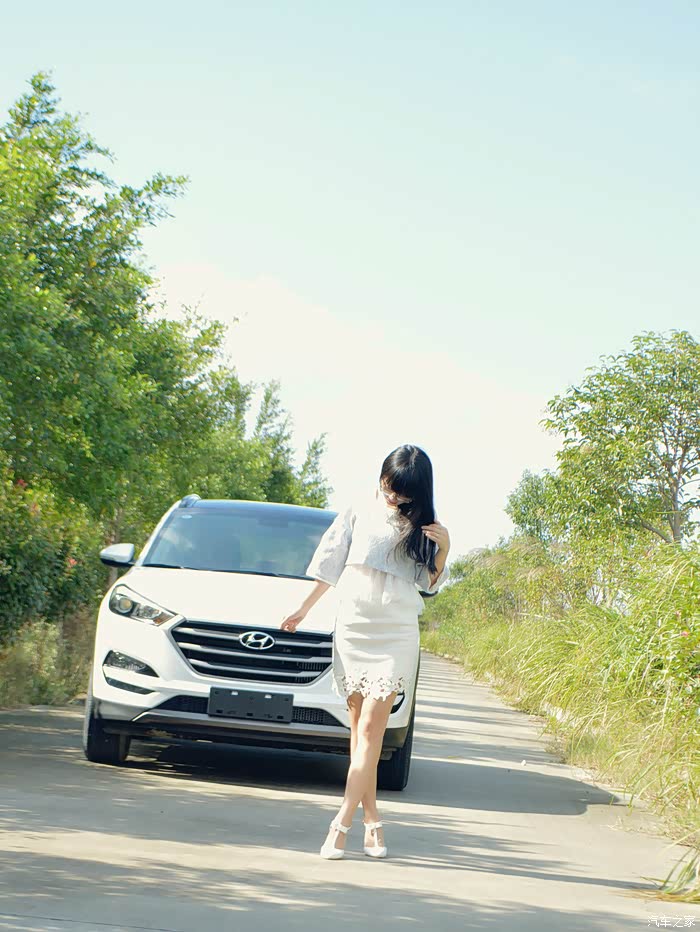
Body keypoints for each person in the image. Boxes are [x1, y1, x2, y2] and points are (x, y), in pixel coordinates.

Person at [279, 444, 451, 860]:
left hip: (396, 634)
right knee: (359, 737)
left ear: (418, 492)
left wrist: (444, 551)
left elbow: (428, 585)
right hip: (354, 627)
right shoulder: (358, 509)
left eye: (402, 493)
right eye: (389, 487)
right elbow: (329, 562)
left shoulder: (425, 525)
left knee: (372, 732)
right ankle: (372, 823)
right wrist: (302, 609)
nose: (393, 497)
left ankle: (340, 824)